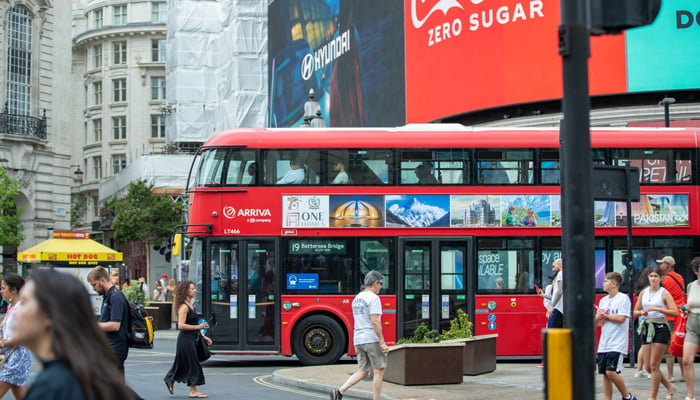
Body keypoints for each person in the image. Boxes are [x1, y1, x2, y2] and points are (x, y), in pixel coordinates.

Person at [13, 269, 134, 400]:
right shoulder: (81, 373)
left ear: (49, 313)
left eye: (24, 302)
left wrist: (90, 325)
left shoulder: (53, 387)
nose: (15, 312)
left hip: (116, 346)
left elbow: (116, 325)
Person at [331, 271, 388, 400]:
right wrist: (382, 342)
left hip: (358, 339)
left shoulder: (357, 298)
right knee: (379, 371)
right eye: (380, 284)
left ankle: (339, 392)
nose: (381, 287)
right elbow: (375, 321)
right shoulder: (374, 298)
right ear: (375, 283)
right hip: (371, 338)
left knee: (363, 370)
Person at [633, 267, 678, 400]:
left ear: (660, 278)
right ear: (648, 277)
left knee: (654, 364)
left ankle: (653, 396)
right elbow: (635, 311)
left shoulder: (664, 293)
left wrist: (658, 309)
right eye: (651, 276)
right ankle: (669, 386)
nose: (653, 278)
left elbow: (674, 311)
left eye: (656, 276)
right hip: (647, 326)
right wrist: (642, 312)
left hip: (660, 326)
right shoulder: (643, 293)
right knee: (647, 367)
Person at [164, 280, 212, 398]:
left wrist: (204, 336)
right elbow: (181, 325)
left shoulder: (191, 306)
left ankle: (170, 379)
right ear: (185, 291)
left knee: (182, 364)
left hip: (192, 338)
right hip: (185, 339)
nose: (194, 290)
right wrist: (198, 327)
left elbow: (193, 324)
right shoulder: (184, 307)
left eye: (194, 288)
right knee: (193, 364)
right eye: (192, 289)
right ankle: (193, 390)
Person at [595, 272, 637, 400]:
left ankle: (627, 396)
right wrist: (599, 317)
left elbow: (621, 318)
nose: (603, 283)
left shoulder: (623, 299)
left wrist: (606, 316)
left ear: (614, 284)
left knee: (611, 372)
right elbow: (596, 322)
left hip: (617, 342)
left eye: (606, 281)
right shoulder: (603, 300)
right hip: (604, 343)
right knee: (605, 374)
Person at [87, 266, 129, 373]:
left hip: (115, 348)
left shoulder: (115, 297)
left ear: (102, 280)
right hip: (109, 347)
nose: (94, 289)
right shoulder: (108, 296)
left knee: (112, 384)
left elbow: (115, 325)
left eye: (94, 285)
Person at [0, 273, 32, 399]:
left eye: (3, 288)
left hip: (18, 356)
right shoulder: (11, 307)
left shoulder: (21, 308)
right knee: (20, 393)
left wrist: (2, 343)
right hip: (11, 355)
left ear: (13, 290)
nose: (1, 291)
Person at [658, 256, 685, 383]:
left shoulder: (665, 280)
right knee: (679, 343)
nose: (660, 266)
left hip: (669, 314)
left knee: (669, 345)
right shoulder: (679, 277)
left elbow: (662, 298)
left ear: (667, 265)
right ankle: (684, 374)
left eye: (662, 264)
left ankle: (670, 375)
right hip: (681, 314)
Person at [681, 257, 700, 400]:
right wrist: (686, 308)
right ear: (696, 271)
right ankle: (690, 395)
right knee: (686, 360)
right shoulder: (691, 285)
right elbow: (690, 303)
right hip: (692, 322)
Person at [633, 267, 654, 379]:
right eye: (653, 276)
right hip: (649, 320)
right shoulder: (648, 290)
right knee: (647, 345)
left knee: (644, 345)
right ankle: (645, 369)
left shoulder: (641, 288)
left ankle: (640, 369)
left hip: (643, 320)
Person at [546, 258, 564, 328]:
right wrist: (544, 295)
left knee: (551, 330)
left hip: (558, 308)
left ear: (559, 265)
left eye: (554, 266)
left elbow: (560, 291)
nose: (553, 269)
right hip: (560, 308)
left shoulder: (560, 274)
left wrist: (552, 307)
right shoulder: (565, 274)